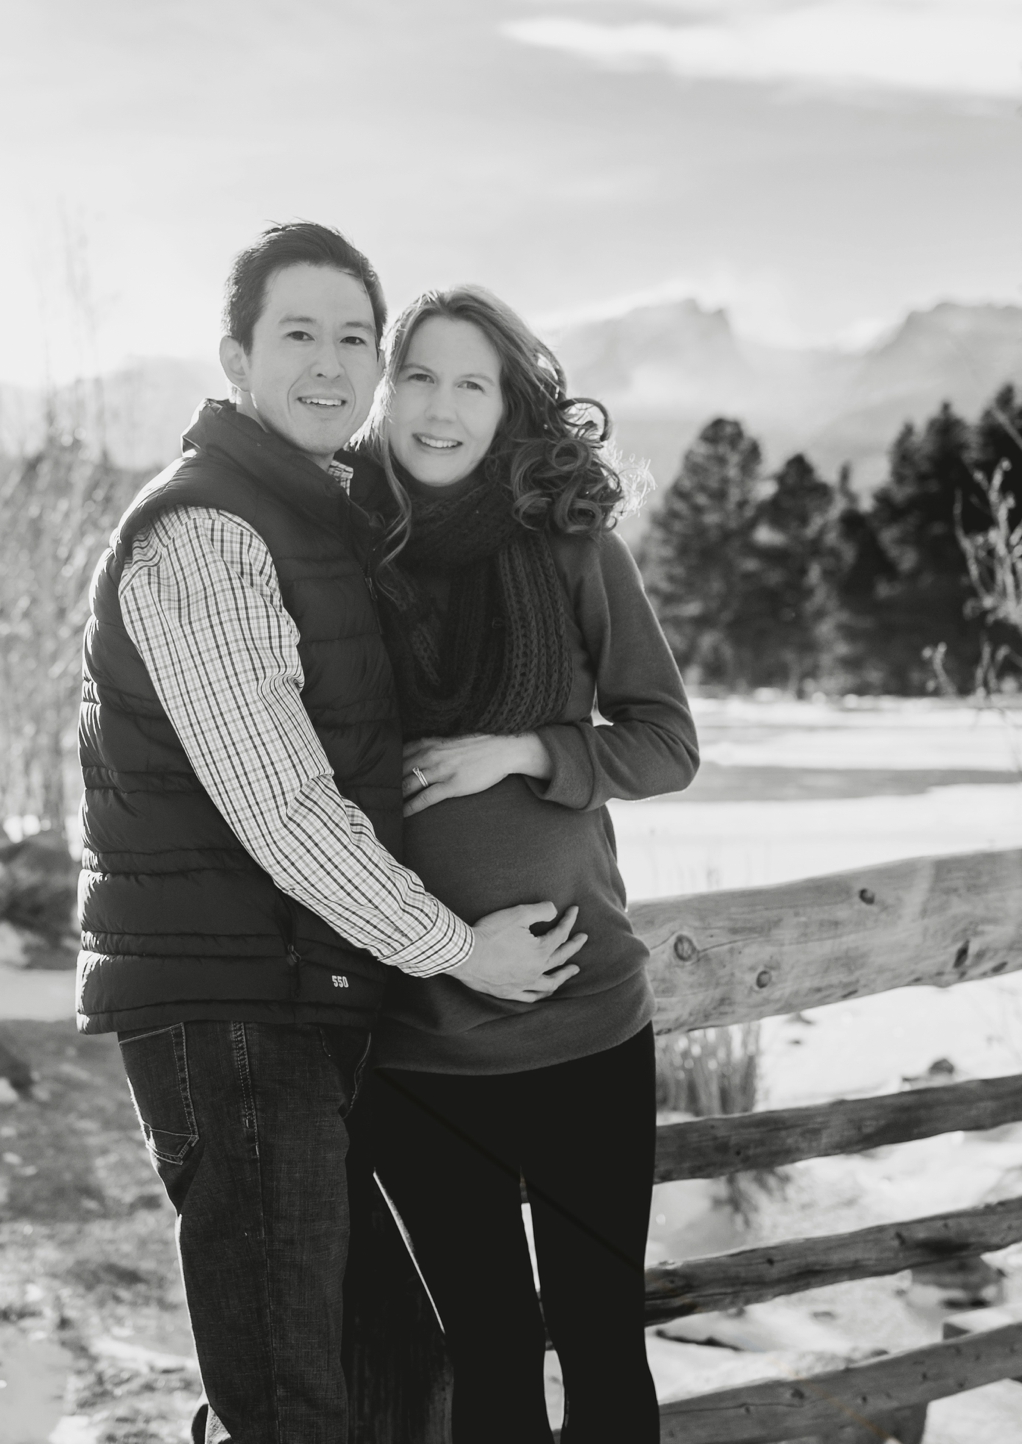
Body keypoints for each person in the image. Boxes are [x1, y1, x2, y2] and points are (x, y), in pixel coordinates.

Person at [73, 224, 589, 1443]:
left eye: (354, 336)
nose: (329, 362)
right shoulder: (206, 533)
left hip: (309, 1001)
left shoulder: (319, 514)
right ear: (237, 355)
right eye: (296, 333)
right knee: (298, 1404)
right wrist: (459, 948)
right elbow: (283, 809)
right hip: (234, 1014)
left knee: (393, 1381)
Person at [341, 285, 699, 1443]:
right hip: (422, 1045)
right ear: (386, 392)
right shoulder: (335, 548)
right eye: (421, 378)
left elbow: (664, 743)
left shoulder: (570, 545)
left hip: (587, 1026)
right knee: (488, 1358)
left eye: (472, 383)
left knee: (602, 1343)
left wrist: (524, 751)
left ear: (509, 407)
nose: (441, 409)